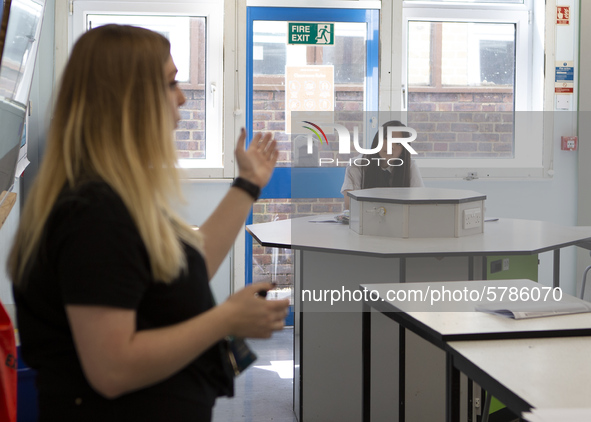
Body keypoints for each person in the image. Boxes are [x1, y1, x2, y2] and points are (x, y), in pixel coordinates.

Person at [8, 25, 289, 422]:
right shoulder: (93, 213)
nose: (183, 97)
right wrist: (224, 319)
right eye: (171, 83)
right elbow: (112, 369)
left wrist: (247, 185)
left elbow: (184, 269)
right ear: (129, 100)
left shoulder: (115, 194)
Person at [341, 120, 424, 209]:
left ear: (403, 151)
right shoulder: (357, 165)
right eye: (387, 138)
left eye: (398, 143)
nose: (391, 146)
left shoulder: (409, 166)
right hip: (366, 219)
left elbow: (419, 203)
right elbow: (350, 206)